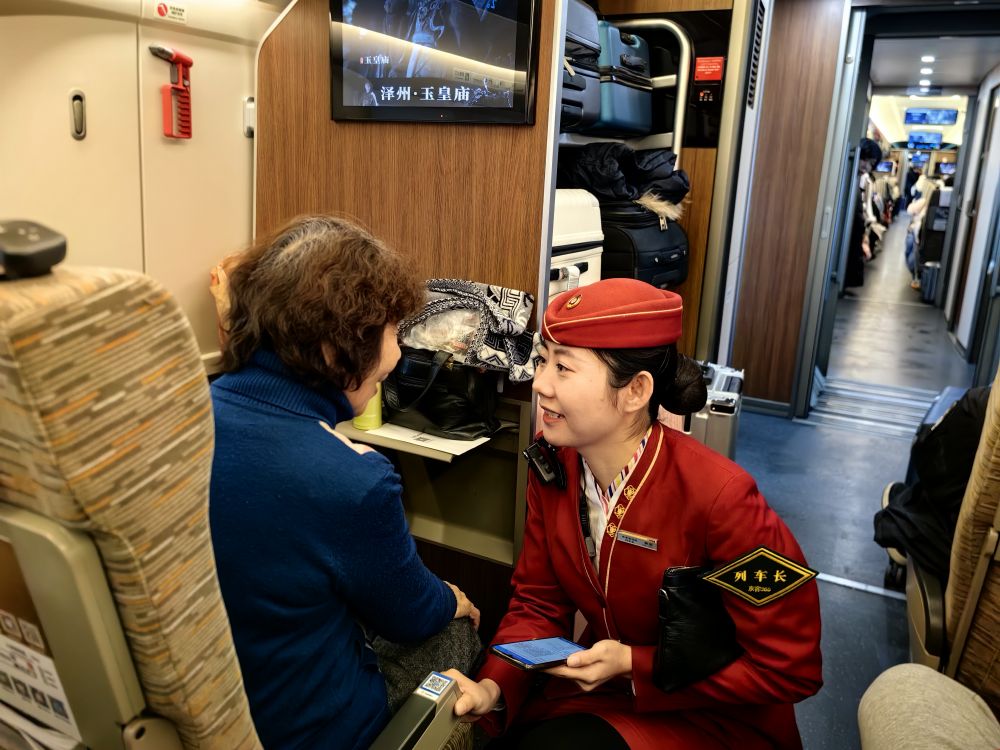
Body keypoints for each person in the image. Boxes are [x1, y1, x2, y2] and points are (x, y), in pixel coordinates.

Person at [444, 278, 822, 749]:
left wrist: (633, 665)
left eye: (563, 367)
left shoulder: (724, 498)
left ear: (635, 391)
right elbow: (539, 602)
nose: (539, 383)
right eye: (542, 360)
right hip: (609, 695)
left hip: (717, 718)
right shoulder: (553, 465)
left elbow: (790, 668)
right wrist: (493, 687)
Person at [209, 215, 481, 750]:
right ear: (336, 348)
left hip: (219, 703)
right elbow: (411, 615)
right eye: (391, 331)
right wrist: (452, 600)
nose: (396, 355)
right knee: (457, 629)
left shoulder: (183, 420)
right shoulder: (351, 480)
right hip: (313, 729)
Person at [844, 138, 885, 291]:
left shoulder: (859, 180)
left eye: (871, 164)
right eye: (865, 160)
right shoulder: (846, 175)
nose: (866, 166)